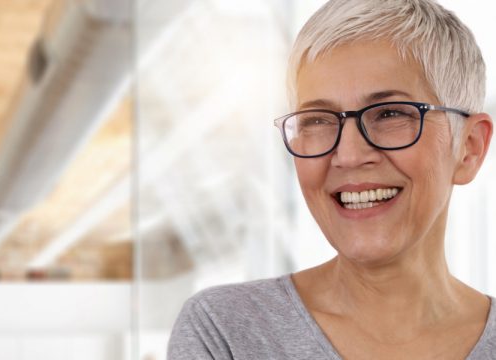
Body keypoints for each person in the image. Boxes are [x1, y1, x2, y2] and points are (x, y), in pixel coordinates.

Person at [167, 0, 495, 358]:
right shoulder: (224, 332)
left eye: (389, 114)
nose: (350, 155)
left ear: (469, 148)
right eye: (318, 120)